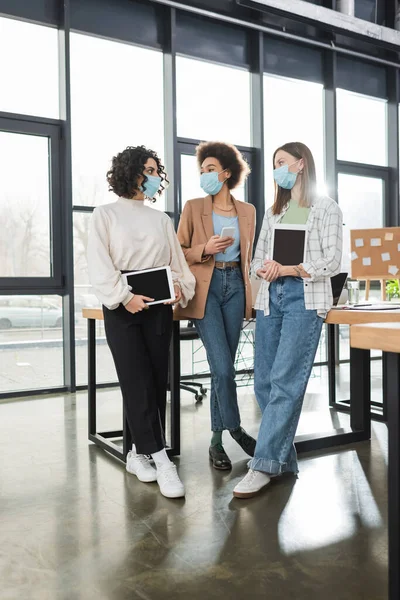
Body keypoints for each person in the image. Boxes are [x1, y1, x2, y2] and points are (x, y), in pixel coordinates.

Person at [233, 141, 343, 498]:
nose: (277, 169)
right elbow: (257, 256)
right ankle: (283, 458)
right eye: (274, 164)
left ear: (300, 164)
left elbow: (333, 260)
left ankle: (263, 464)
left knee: (285, 381)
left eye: (282, 162)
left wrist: (292, 268)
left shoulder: (326, 208)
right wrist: (263, 267)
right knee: (264, 382)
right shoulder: (274, 212)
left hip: (304, 298)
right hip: (270, 297)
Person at [87, 145, 195, 499]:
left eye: (155, 171)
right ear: (130, 173)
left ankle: (137, 453)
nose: (153, 177)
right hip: (123, 307)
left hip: (159, 307)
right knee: (134, 381)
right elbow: (100, 264)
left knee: (154, 382)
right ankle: (162, 458)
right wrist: (124, 297)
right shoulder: (104, 215)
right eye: (147, 170)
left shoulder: (161, 219)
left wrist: (180, 288)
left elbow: (178, 265)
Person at [175, 141, 257, 470]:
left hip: (236, 286)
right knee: (223, 368)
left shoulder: (248, 211)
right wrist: (205, 248)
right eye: (202, 170)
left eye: (211, 169)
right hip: (206, 289)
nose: (205, 174)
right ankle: (234, 428)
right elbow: (178, 251)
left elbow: (250, 256)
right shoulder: (194, 207)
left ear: (226, 172)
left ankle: (215, 442)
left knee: (221, 371)